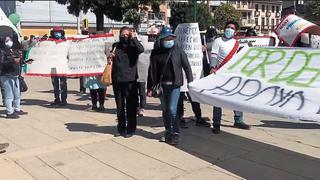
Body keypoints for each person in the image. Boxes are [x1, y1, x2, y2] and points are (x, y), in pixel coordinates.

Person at [148, 27, 193, 145]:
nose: (169, 40)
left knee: (172, 110)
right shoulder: (155, 52)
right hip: (161, 87)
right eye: (166, 38)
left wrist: (190, 82)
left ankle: (176, 133)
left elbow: (187, 67)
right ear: (161, 39)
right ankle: (168, 131)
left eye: (171, 38)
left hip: (175, 85)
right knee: (165, 110)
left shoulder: (178, 51)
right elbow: (151, 70)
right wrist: (150, 86)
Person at [210, 20, 250, 134]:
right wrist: (213, 67)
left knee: (236, 97)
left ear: (235, 31)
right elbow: (213, 55)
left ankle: (238, 120)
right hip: (220, 73)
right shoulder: (218, 41)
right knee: (217, 100)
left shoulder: (237, 43)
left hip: (233, 74)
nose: (229, 29)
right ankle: (216, 124)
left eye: (232, 28)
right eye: (228, 27)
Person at [109, 27, 144, 138]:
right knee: (120, 106)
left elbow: (141, 49)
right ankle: (121, 128)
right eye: (122, 34)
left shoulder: (133, 46)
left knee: (131, 106)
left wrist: (134, 38)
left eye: (126, 35)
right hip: (117, 80)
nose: (124, 37)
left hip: (130, 80)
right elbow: (111, 58)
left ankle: (131, 128)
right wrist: (110, 57)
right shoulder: (116, 46)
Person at [0, 35, 28, 119]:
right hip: (6, 75)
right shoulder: (1, 51)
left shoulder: (13, 50)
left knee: (17, 94)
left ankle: (17, 109)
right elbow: (2, 63)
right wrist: (12, 61)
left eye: (10, 40)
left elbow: (18, 61)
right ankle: (9, 112)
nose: (9, 42)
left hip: (15, 75)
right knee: (9, 95)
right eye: (7, 40)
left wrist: (23, 61)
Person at [49, 27, 68, 106]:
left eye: (58, 32)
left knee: (63, 84)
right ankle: (57, 99)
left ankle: (64, 100)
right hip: (53, 67)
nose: (57, 33)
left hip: (62, 66)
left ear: (62, 33)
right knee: (55, 84)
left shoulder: (66, 42)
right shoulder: (49, 42)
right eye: (55, 32)